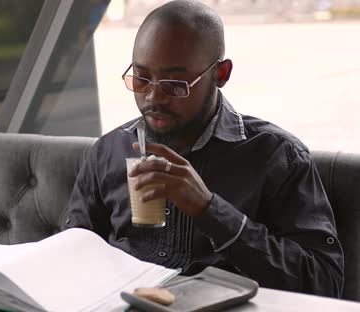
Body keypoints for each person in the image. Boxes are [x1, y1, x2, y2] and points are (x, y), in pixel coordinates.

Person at [61, 0, 343, 297]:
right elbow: (70, 257)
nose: (153, 97)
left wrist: (210, 210)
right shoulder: (110, 151)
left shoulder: (277, 157)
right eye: (142, 78)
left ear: (220, 75)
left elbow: (324, 283)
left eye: (175, 84)